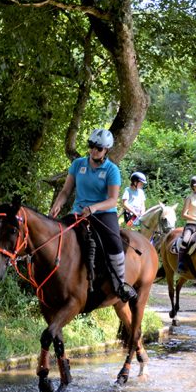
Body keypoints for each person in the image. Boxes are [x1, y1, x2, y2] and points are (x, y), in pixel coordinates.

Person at [49, 128, 138, 303]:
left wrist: (94, 208)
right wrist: (57, 205)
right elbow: (66, 190)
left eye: (98, 148)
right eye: (91, 146)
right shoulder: (78, 164)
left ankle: (120, 284)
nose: (93, 151)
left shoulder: (112, 170)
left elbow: (113, 200)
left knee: (114, 242)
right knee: (57, 236)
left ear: (106, 150)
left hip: (104, 213)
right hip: (78, 212)